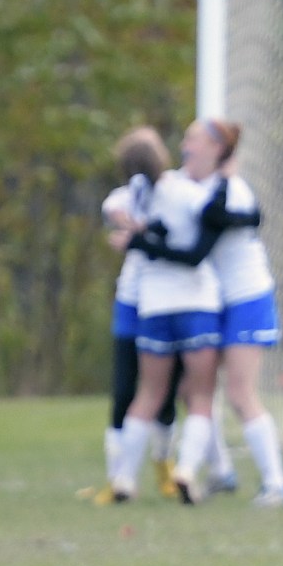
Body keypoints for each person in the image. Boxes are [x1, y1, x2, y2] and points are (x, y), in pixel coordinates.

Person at [123, 119, 283, 508]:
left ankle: (276, 482)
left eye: (194, 139)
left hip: (246, 297)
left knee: (237, 391)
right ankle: (221, 471)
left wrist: (143, 244)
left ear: (217, 149)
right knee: (190, 391)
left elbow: (201, 245)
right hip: (212, 299)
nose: (185, 145)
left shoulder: (231, 190)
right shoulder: (180, 186)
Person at [106, 127, 227, 504]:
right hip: (195, 302)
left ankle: (124, 478)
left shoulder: (136, 197)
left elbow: (112, 206)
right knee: (200, 395)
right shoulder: (184, 191)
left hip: (154, 305)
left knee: (148, 394)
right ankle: (187, 470)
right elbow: (212, 213)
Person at [98, 127, 182, 504]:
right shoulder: (130, 195)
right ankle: (119, 479)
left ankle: (163, 467)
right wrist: (124, 220)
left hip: (168, 302)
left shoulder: (176, 192)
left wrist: (141, 229)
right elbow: (112, 208)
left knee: (160, 394)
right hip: (134, 302)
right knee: (127, 391)